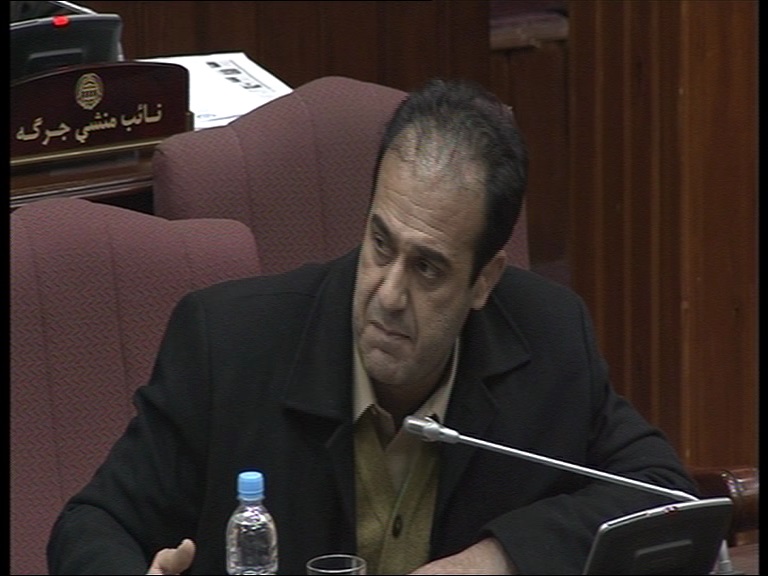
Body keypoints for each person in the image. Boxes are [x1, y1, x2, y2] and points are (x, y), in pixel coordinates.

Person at [47, 78, 697, 575]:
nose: (388, 295)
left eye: (428, 269)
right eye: (380, 245)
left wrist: (497, 558)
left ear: (484, 281)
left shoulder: (547, 339)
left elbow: (665, 495)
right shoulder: (229, 344)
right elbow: (89, 524)